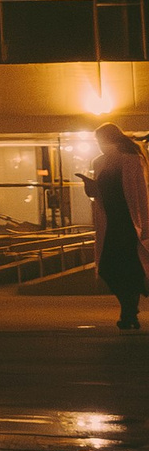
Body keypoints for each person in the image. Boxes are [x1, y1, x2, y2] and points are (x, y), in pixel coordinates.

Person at [82, 124, 149, 333]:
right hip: (109, 222)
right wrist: (89, 186)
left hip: (128, 223)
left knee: (130, 269)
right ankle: (129, 309)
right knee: (108, 269)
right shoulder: (99, 162)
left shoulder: (131, 159)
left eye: (100, 141)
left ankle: (128, 312)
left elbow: (140, 194)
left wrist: (145, 223)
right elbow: (98, 193)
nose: (99, 146)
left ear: (110, 139)